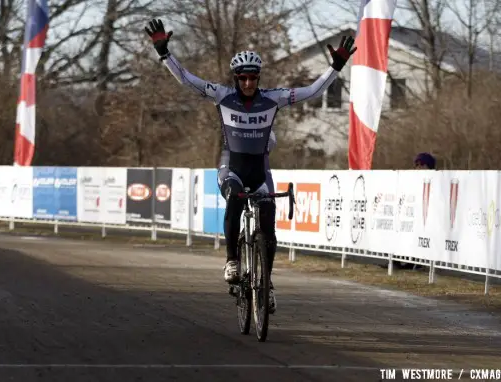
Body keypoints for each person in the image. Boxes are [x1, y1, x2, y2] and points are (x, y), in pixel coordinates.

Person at [145, 18, 356, 314]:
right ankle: (232, 260)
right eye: (242, 78)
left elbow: (312, 92)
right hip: (231, 166)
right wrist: (164, 53)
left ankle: (266, 284)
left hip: (259, 172)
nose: (247, 83)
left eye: (252, 79)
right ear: (236, 78)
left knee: (268, 231)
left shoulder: (273, 99)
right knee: (233, 198)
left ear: (258, 78)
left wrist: (336, 68)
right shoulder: (222, 96)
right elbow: (187, 80)